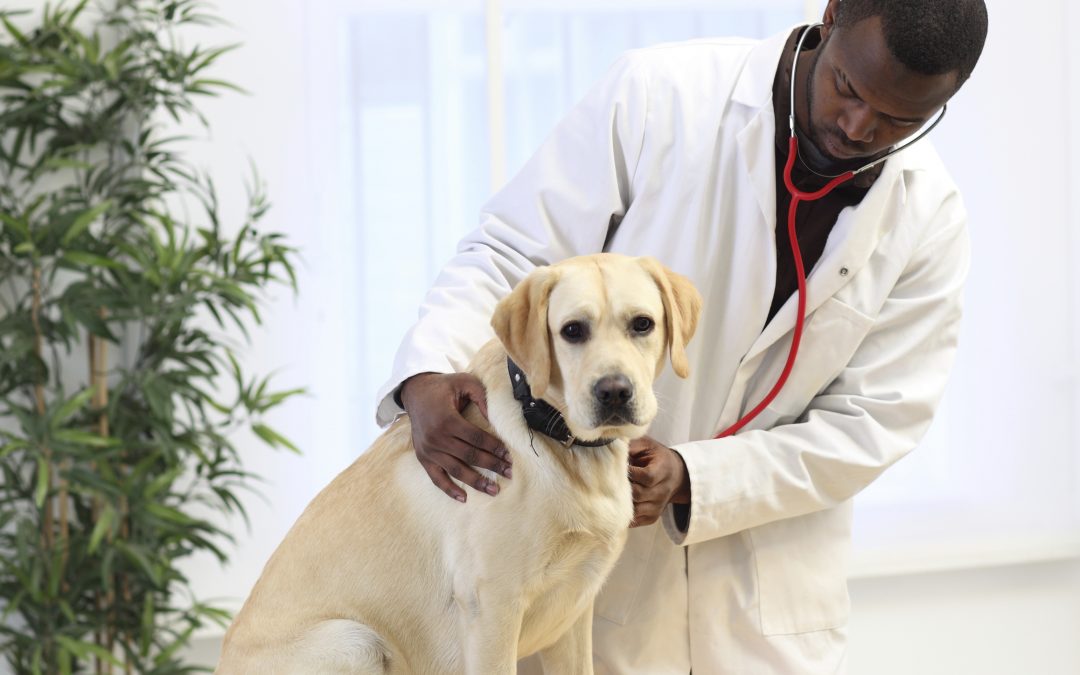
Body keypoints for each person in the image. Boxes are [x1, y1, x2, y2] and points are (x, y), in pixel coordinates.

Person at [374, 0, 989, 672]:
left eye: (901, 118)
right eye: (847, 85)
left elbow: (875, 420)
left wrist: (700, 476)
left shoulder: (929, 215)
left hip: (764, 609)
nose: (858, 124)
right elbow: (514, 253)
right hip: (595, 591)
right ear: (832, 15)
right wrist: (427, 373)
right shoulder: (658, 98)